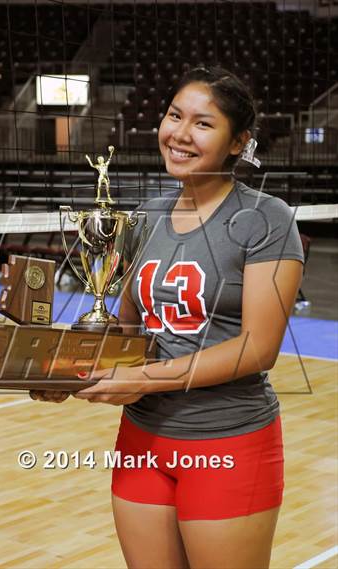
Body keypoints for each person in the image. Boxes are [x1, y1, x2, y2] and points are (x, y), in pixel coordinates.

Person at [31, 66, 304, 568]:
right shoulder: (144, 218)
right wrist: (62, 366)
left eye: (203, 123)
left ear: (238, 142)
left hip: (227, 442)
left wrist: (143, 378)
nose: (179, 133)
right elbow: (130, 332)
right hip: (142, 441)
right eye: (175, 115)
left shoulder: (267, 218)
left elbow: (257, 348)